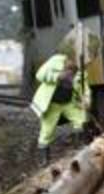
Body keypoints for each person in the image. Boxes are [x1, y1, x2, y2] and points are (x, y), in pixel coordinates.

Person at [29, 33, 90, 165]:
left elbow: (85, 88)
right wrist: (57, 77)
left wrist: (86, 100)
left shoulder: (81, 71)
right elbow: (39, 75)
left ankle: (80, 149)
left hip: (69, 102)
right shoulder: (55, 61)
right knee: (47, 131)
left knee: (80, 120)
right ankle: (45, 160)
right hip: (52, 103)